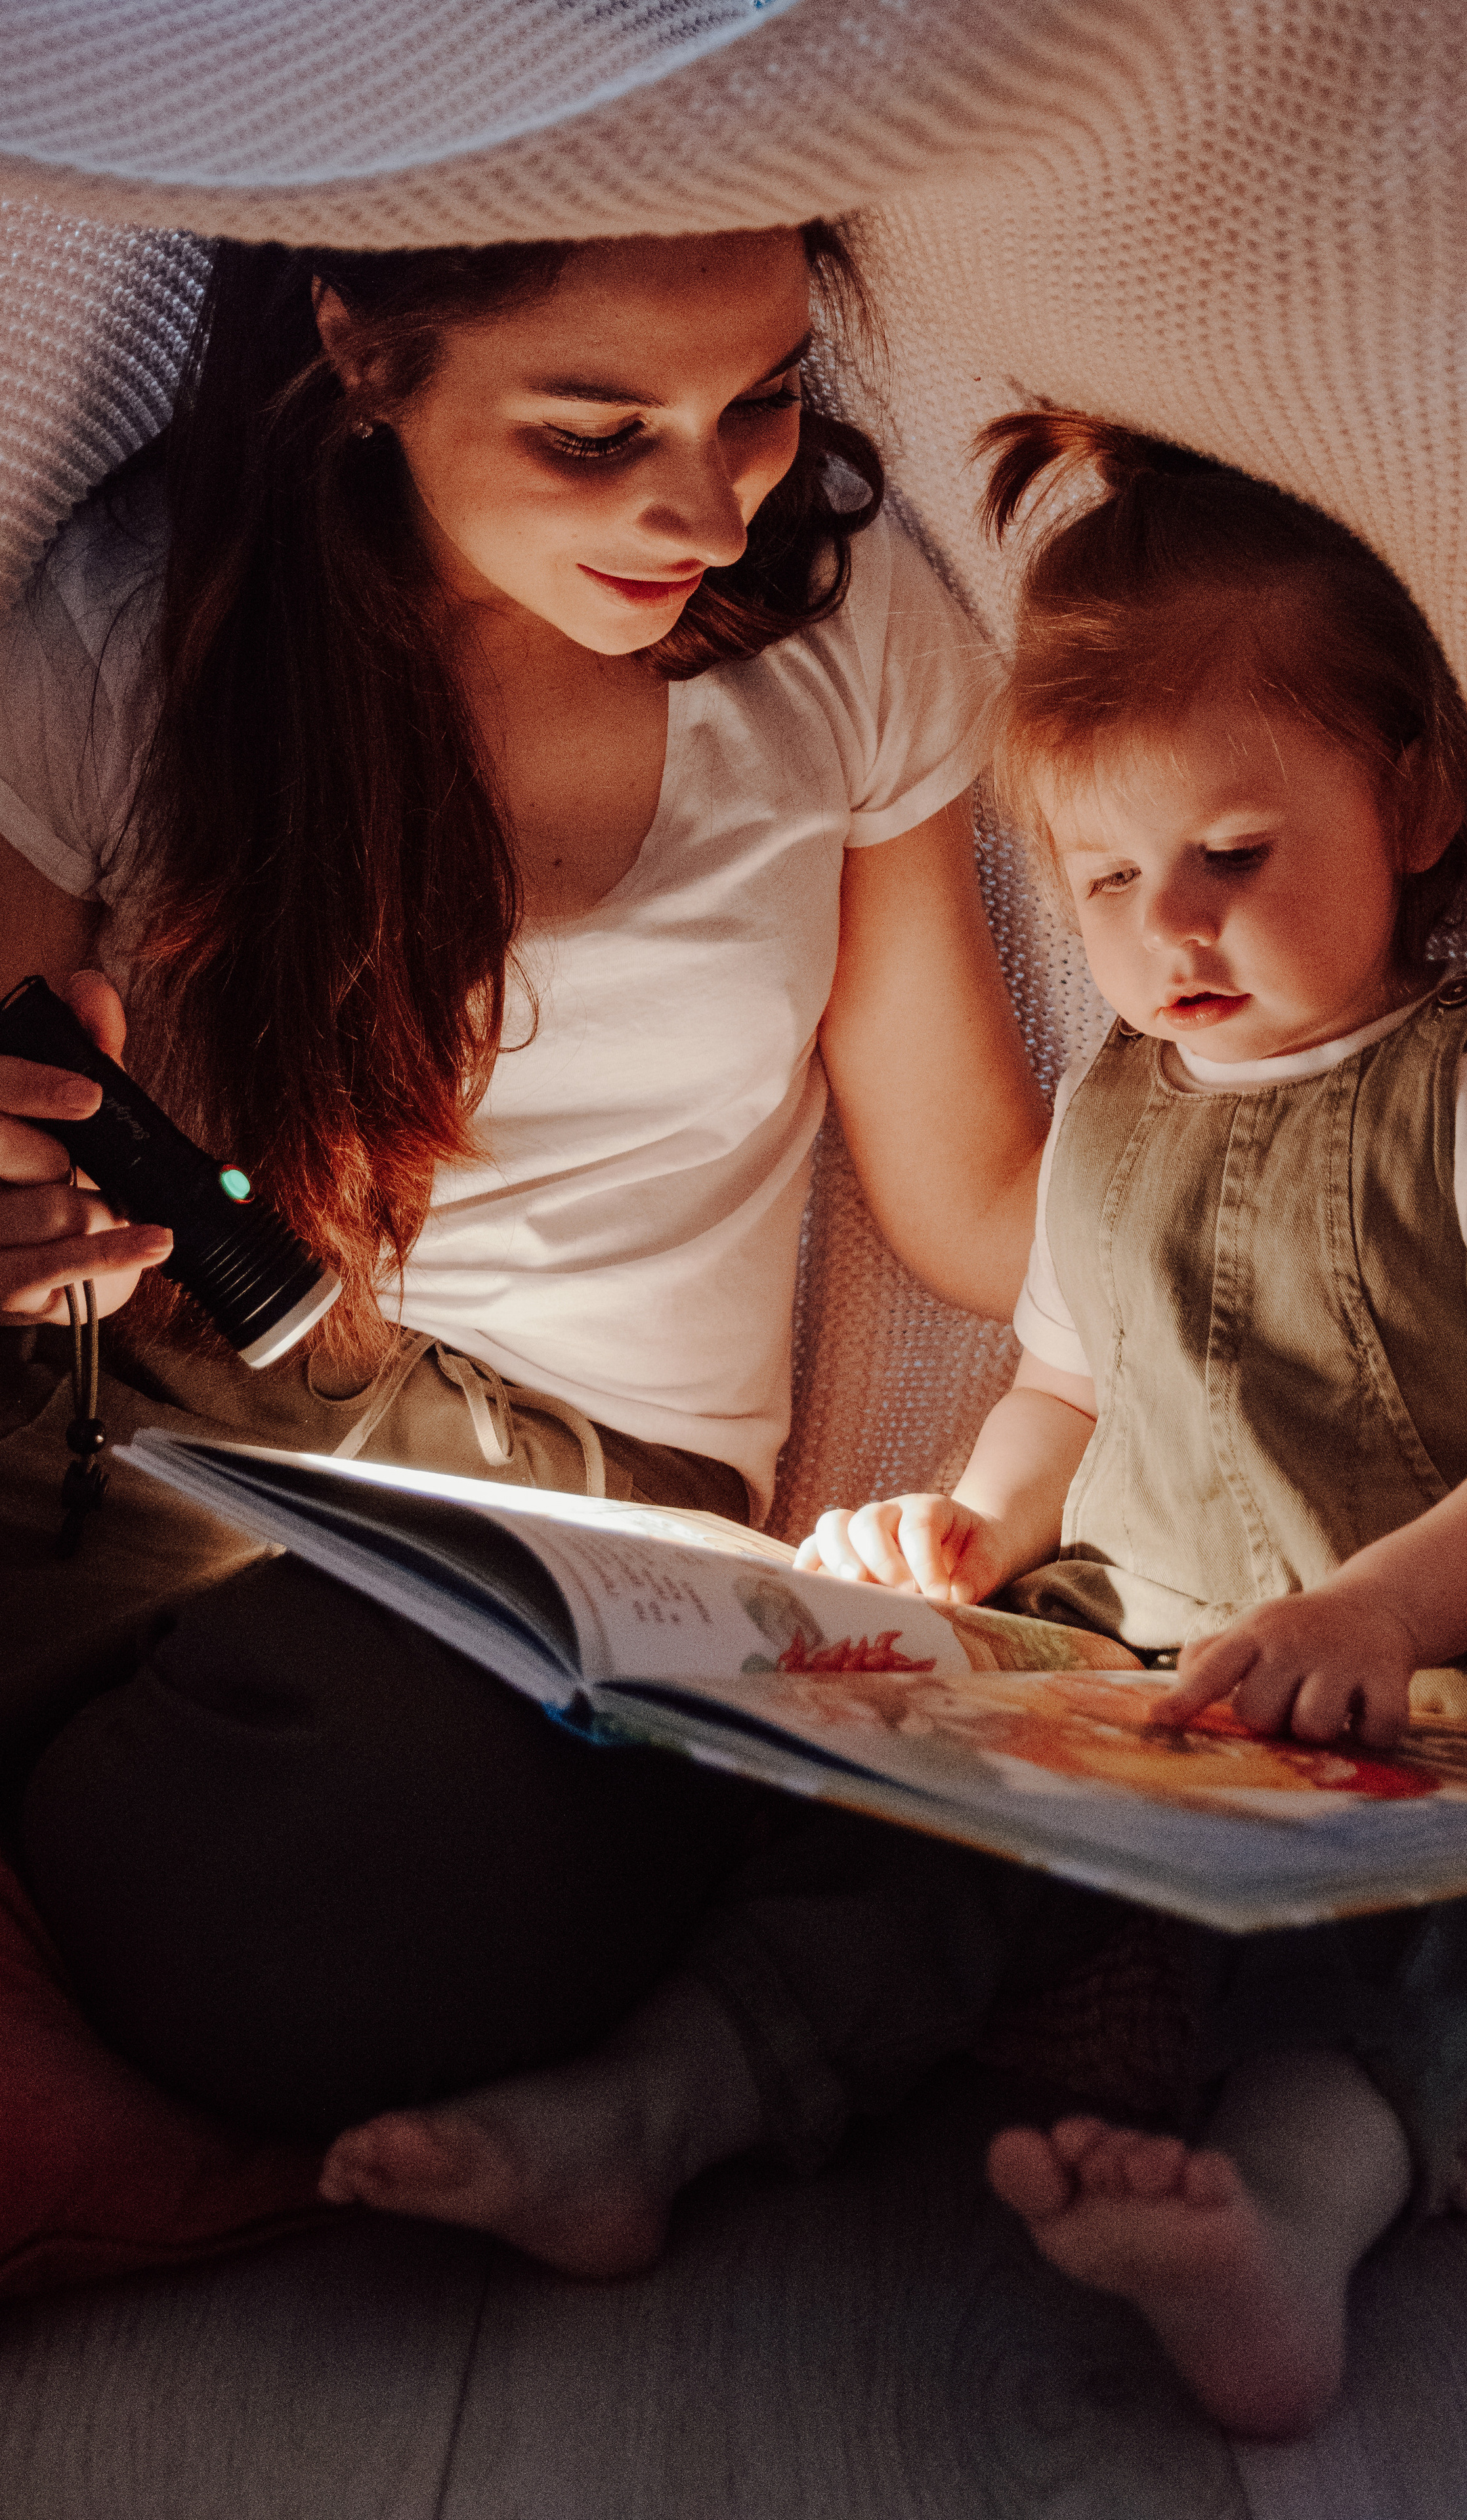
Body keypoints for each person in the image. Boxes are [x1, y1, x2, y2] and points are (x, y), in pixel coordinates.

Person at [0, 228, 1093, 2276]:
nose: (710, 501)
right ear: (362, 351)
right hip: (140, 1402)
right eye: (598, 436)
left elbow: (969, 1201)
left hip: (578, 1506)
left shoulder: (835, 632)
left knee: (305, 1912)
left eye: (760, 398)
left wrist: (1293, 1221)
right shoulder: (145, 618)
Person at [795, 410, 1467, 2437]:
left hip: (1444, 1687)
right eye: (1104, 876)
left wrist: (1376, 1617)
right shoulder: (1109, 1109)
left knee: (1393, 1945)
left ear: (1420, 798)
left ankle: (1282, 2219)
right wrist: (972, 1532)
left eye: (1234, 858)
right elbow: (1065, 1389)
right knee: (889, 1845)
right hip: (1149, 1668)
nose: (1167, 929)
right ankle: (673, 2099)